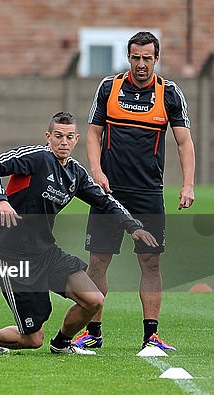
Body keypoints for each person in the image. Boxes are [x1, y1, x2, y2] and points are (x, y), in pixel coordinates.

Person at [0, 112, 158, 356]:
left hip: (45, 252)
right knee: (32, 339)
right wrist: (1, 200)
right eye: (58, 136)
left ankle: (61, 343)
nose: (63, 142)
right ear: (48, 137)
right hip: (12, 256)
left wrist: (132, 226)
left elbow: (104, 201)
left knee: (94, 300)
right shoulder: (36, 157)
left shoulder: (75, 173)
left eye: (69, 137)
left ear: (76, 139)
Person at [73, 32, 195, 352]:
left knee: (151, 263)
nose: (141, 64)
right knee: (98, 262)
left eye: (147, 58)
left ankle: (151, 336)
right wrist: (96, 173)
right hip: (108, 193)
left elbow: (184, 142)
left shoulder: (169, 93)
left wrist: (187, 184)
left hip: (148, 195)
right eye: (136, 57)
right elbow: (93, 135)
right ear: (129, 57)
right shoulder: (109, 87)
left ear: (157, 59)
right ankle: (93, 332)